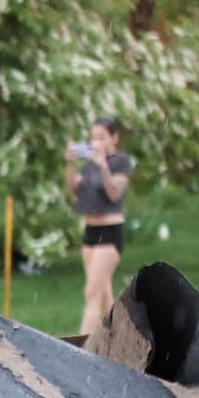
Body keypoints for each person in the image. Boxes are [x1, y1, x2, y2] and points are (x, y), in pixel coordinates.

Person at [65, 116, 133, 336]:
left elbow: (115, 192)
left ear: (114, 138)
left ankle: (83, 347)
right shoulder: (88, 165)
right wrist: (70, 163)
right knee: (103, 296)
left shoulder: (120, 162)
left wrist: (104, 167)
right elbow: (73, 191)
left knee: (91, 293)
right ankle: (119, 339)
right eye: (93, 137)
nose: (96, 142)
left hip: (109, 231)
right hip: (91, 231)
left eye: (102, 137)